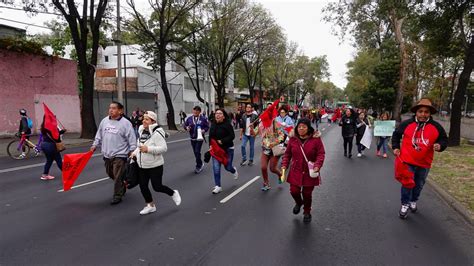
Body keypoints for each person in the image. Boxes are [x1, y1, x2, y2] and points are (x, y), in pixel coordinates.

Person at [392, 98, 448, 219]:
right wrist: (396, 147)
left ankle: (413, 200)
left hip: (424, 163)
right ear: (416, 112)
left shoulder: (436, 126)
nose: (423, 114)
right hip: (407, 161)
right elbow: (396, 134)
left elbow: (444, 139)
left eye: (426, 112)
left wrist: (440, 146)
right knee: (407, 184)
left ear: (430, 113)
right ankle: (405, 204)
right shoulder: (406, 124)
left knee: (419, 185)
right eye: (420, 111)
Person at [131, 111, 181, 215]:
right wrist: (134, 153)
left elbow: (163, 148)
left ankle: (173, 193)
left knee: (157, 187)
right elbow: (140, 146)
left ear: (153, 121)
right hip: (142, 165)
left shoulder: (157, 132)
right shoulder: (141, 130)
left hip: (155, 165)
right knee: (143, 186)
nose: (144, 121)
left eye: (147, 119)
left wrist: (148, 149)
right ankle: (150, 205)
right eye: (143, 118)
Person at [91, 101, 137, 205]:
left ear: (120, 111)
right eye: (110, 108)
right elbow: (99, 134)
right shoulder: (104, 121)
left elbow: (131, 138)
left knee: (117, 176)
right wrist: (95, 144)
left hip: (120, 155)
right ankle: (122, 184)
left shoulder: (126, 123)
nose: (111, 110)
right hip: (107, 154)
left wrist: (132, 150)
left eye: (114, 108)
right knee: (110, 174)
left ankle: (117, 196)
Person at [281, 118, 325, 223]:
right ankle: (299, 202)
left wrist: (317, 166)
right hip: (296, 169)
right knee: (294, 191)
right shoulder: (293, 139)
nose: (301, 128)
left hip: (310, 170)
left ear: (308, 128)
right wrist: (284, 166)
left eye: (304, 127)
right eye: (299, 126)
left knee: (307, 193)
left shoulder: (316, 139)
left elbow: (321, 154)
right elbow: (287, 154)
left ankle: (307, 211)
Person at [208, 109, 238, 194]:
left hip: (228, 149)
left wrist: (223, 141)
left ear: (223, 116)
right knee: (216, 168)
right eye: (216, 113)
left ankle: (233, 170)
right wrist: (210, 146)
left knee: (227, 167)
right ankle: (218, 186)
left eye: (220, 113)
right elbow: (210, 137)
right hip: (216, 149)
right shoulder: (213, 124)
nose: (217, 115)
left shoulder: (227, 124)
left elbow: (232, 136)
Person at [258, 119, 286, 191]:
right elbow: (253, 133)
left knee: (272, 168)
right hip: (265, 149)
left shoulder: (275, 123)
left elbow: (282, 135)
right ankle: (266, 183)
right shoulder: (261, 124)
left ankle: (280, 174)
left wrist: (274, 143)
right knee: (263, 167)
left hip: (275, 149)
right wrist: (251, 127)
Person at [184, 106, 210, 174]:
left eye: (197, 111)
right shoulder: (189, 119)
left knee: (197, 151)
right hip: (192, 138)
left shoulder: (203, 119)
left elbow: (207, 127)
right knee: (196, 153)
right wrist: (186, 128)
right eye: (194, 111)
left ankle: (198, 166)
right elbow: (185, 125)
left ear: (199, 112)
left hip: (200, 138)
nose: (195, 112)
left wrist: (204, 130)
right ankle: (200, 163)